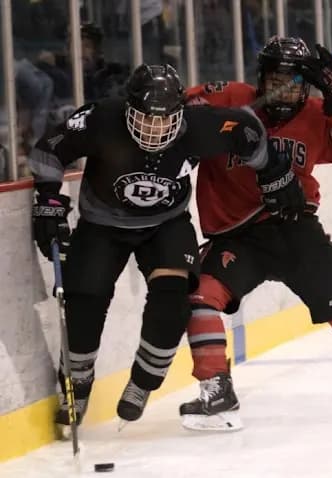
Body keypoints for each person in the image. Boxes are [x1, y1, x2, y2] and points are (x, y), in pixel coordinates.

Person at [28, 63, 302, 434]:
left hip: (166, 224)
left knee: (174, 299)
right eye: (146, 119)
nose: (156, 128)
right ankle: (77, 383)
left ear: (180, 112)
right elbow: (48, 150)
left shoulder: (200, 124)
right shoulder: (101, 117)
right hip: (102, 225)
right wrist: (48, 201)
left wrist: (273, 173)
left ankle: (143, 381)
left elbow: (248, 130)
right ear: (128, 109)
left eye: (165, 120)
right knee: (84, 300)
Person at [179, 36, 332, 431]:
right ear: (261, 79)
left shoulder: (317, 113)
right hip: (236, 237)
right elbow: (174, 113)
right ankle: (216, 390)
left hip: (296, 229)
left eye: (295, 82)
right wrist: (215, 127)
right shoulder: (228, 96)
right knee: (199, 296)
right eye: (276, 79)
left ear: (309, 86)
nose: (285, 89)